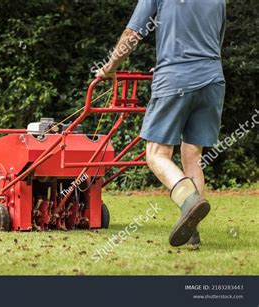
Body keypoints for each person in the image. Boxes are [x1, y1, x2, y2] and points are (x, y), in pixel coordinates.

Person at [96, 0, 226, 246]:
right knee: (193, 157)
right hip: (212, 80)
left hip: (175, 79)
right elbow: (216, 43)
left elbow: (132, 34)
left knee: (156, 154)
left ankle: (190, 201)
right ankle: (192, 233)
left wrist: (109, 68)